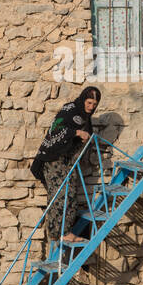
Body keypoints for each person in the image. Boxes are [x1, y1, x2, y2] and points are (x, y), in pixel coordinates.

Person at [30, 86, 101, 244]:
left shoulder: (85, 118)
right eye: (89, 103)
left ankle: (64, 231)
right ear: (83, 99)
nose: (91, 107)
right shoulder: (69, 110)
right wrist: (76, 133)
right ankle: (58, 233)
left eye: (94, 104)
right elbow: (56, 130)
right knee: (59, 195)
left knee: (70, 194)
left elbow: (86, 137)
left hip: (68, 162)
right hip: (54, 159)